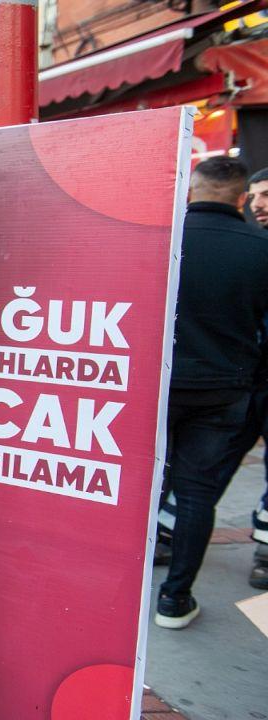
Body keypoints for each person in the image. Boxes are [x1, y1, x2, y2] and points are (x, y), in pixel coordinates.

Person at [157, 156, 268, 629]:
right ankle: (174, 599)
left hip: (158, 387)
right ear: (241, 198)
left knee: (146, 486)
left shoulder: (162, 239)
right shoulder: (261, 247)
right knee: (198, 493)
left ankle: (126, 582)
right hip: (225, 390)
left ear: (191, 191)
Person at [206, 165, 268, 589]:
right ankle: (174, 531)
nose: (259, 204)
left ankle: (264, 550)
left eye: (267, 195)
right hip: (244, 381)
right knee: (214, 460)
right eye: (255, 195)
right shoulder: (251, 245)